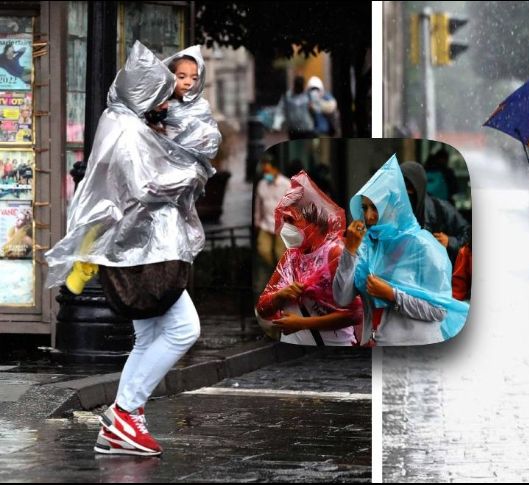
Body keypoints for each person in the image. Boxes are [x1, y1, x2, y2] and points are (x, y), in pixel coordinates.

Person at [44, 41, 219, 457]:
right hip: (140, 255)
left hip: (137, 249)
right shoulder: (125, 129)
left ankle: (123, 424)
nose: (167, 98)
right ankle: (124, 413)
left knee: (148, 338)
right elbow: (147, 184)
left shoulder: (125, 120)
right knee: (183, 329)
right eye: (158, 91)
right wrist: (192, 169)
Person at [333, 155, 469, 345]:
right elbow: (341, 297)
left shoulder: (422, 245)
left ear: (394, 207)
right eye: (364, 208)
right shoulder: (366, 247)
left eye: (376, 207)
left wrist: (392, 294)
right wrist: (350, 251)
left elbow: (438, 310)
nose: (369, 216)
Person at [256, 172, 363, 346]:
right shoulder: (290, 257)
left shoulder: (335, 254)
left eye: (291, 220)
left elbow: (356, 312)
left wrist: (301, 324)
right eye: (284, 220)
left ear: (312, 222)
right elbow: (262, 308)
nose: (286, 227)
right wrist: (280, 296)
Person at [400, 161, 470, 265]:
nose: (406, 192)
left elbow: (468, 236)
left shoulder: (441, 209)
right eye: (401, 186)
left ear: (419, 186)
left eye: (409, 187)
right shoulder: (393, 212)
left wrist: (450, 242)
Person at [253, 158, 291, 291]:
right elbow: (259, 205)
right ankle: (275, 273)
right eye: (265, 171)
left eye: (268, 171)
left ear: (275, 170)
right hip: (266, 224)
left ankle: (281, 281)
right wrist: (256, 221)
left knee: (280, 253)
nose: (266, 173)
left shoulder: (286, 184)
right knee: (263, 249)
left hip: (283, 225)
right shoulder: (261, 185)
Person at [272, 75, 316, 140]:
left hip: (307, 130)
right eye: (298, 86)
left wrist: (313, 107)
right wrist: (276, 125)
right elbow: (280, 111)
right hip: (294, 131)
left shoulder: (309, 96)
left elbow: (318, 108)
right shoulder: (287, 97)